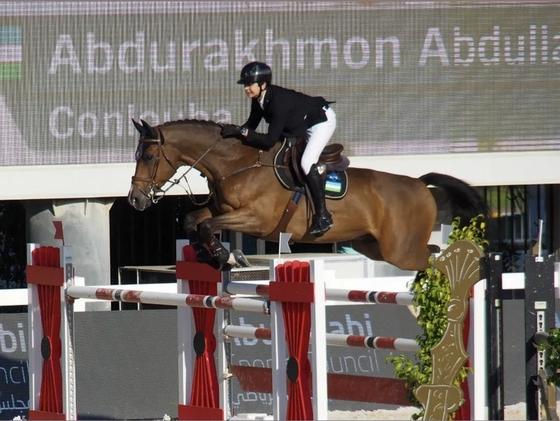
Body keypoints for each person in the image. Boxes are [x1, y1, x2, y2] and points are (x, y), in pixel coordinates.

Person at [221, 61, 337, 237]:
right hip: (300, 125)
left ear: (263, 84)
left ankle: (323, 215)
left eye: (249, 84)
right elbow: (251, 125)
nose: (246, 88)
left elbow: (268, 140)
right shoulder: (259, 99)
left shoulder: (278, 102)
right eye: (245, 84)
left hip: (320, 122)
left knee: (306, 162)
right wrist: (235, 133)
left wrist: (242, 132)